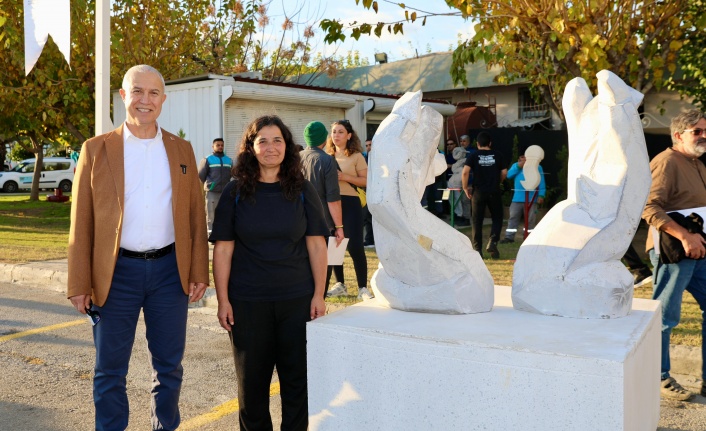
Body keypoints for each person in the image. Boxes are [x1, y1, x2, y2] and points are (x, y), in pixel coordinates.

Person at [67, 64, 209, 430]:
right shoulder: (95, 149)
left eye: (153, 93)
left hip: (169, 273)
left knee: (169, 367)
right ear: (123, 96)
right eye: (137, 91)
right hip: (115, 275)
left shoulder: (182, 150)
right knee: (109, 370)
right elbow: (81, 222)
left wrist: (198, 271)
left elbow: (195, 215)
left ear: (163, 99)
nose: (145, 100)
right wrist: (79, 281)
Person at [210, 115, 329, 430]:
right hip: (248, 303)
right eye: (262, 141)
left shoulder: (302, 190)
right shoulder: (235, 192)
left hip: (297, 302)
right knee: (252, 390)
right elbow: (223, 250)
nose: (271, 147)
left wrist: (319, 294)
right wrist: (223, 300)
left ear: (287, 146)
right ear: (251, 147)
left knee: (297, 385)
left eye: (277, 140)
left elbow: (317, 245)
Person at [642, 109, 706, 401]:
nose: (703, 136)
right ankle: (659, 377)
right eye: (697, 131)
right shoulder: (666, 162)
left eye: (705, 131)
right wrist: (684, 236)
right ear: (678, 135)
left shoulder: (697, 164)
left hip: (699, 251)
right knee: (665, 317)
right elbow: (648, 207)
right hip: (673, 252)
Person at [325, 119, 371, 300]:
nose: (336, 135)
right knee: (335, 244)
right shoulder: (326, 155)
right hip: (331, 203)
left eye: (340, 132)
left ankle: (362, 288)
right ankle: (340, 284)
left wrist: (344, 177)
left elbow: (366, 181)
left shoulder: (356, 156)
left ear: (349, 135)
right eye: (334, 132)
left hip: (351, 202)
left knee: (355, 246)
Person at [300, 121, 345, 294]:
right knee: (322, 267)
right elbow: (333, 198)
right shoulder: (327, 160)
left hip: (298, 220)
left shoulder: (295, 158)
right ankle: (318, 300)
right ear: (324, 139)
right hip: (322, 223)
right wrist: (339, 226)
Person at [462, 131, 507, 259]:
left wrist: (465, 187)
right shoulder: (498, 155)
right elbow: (504, 172)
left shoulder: (473, 155)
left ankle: (477, 250)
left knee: (477, 221)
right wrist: (499, 181)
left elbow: (465, 172)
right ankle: (493, 241)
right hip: (494, 191)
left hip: (478, 192)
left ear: (477, 144)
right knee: (497, 217)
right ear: (490, 143)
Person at [499, 153, 545, 243]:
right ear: (519, 158)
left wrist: (541, 195)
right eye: (522, 157)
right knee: (513, 217)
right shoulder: (516, 166)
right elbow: (508, 175)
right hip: (517, 198)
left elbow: (541, 182)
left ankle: (528, 237)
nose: (524, 159)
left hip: (532, 198)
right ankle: (509, 237)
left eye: (526, 157)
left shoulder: (538, 167)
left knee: (530, 219)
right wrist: (519, 166)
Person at [198, 138, 233, 234]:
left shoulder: (229, 160)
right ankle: (211, 235)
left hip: (225, 193)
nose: (220, 147)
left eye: (222, 145)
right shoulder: (207, 160)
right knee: (211, 215)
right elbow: (201, 175)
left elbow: (231, 174)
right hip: (212, 192)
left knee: (225, 214)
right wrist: (211, 185)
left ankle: (224, 234)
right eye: (218, 145)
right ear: (213, 146)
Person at [456, 134, 475, 225]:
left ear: (468, 142)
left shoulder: (472, 152)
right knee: (460, 199)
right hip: (459, 180)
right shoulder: (459, 151)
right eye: (461, 141)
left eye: (464, 141)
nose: (462, 143)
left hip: (469, 179)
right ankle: (461, 217)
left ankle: (467, 219)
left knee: (465, 200)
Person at [362, 138, 375, 246]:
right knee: (367, 217)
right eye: (366, 145)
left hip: (376, 191)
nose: (368, 147)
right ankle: (369, 240)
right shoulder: (364, 158)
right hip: (366, 191)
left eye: (370, 145)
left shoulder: (380, 159)